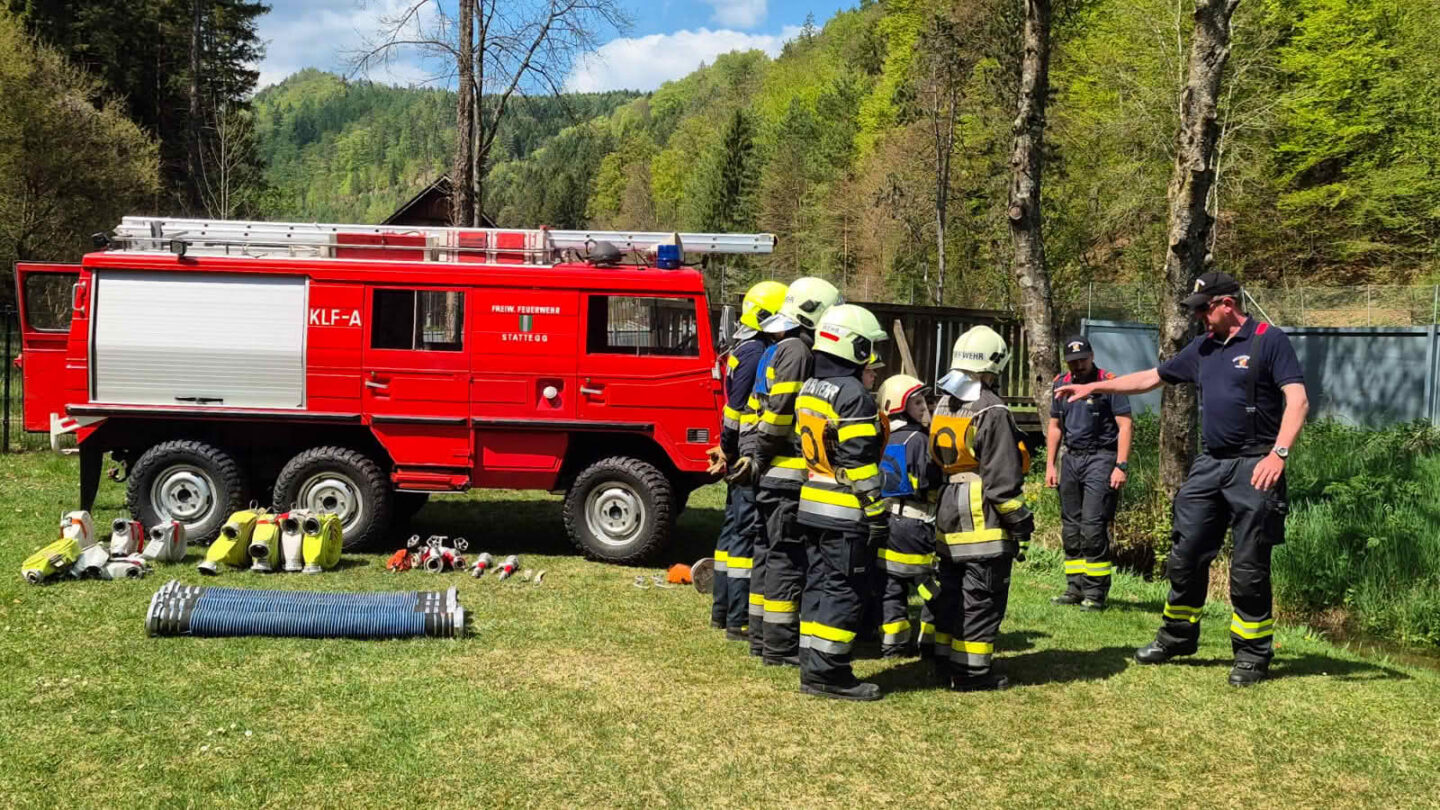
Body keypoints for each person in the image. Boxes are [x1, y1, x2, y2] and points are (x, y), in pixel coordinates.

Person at [1055, 271, 1308, 687]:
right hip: (1210, 465)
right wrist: (1096, 387)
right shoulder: (1203, 347)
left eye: (1205, 309)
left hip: (1255, 464)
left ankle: (1251, 655)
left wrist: (1278, 454)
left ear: (1227, 303)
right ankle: (1177, 636)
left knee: (1248, 565)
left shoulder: (1268, 340)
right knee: (1185, 554)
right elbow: (1152, 377)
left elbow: (1297, 400)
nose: (1200, 318)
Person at [732, 277, 842, 663]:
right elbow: (778, 413)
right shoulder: (796, 349)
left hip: (770, 470)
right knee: (784, 557)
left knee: (768, 552)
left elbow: (750, 411)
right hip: (785, 471)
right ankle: (778, 647)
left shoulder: (777, 347)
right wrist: (761, 453)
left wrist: (752, 454)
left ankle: (762, 638)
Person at [922, 326, 1034, 692]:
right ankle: (972, 673)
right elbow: (1002, 480)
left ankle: (942, 657)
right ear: (994, 365)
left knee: (950, 592)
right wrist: (1019, 522)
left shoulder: (943, 403)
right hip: (981, 517)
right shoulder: (993, 409)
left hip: (948, 510)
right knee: (981, 596)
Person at [793, 304, 889, 700]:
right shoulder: (853, 395)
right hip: (845, 509)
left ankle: (813, 666)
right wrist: (876, 510)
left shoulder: (809, 387)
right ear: (854, 345)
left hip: (813, 504)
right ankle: (830, 675)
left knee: (818, 585)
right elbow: (859, 460)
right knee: (842, 590)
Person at [709, 280, 788, 638]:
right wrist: (732, 449)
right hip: (746, 454)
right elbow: (737, 410)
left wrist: (725, 446)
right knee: (743, 535)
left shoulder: (743, 347)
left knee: (730, 535)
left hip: (735, 449)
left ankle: (721, 610)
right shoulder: (757, 352)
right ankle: (736, 618)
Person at [1045, 336, 1132, 611]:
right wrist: (1051, 465)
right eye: (1073, 362)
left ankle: (1095, 594)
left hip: (1101, 458)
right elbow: (1055, 426)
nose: (1078, 365)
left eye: (1082, 359)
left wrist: (1121, 465)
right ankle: (1074, 588)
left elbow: (1126, 425)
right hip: (1071, 459)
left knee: (1093, 528)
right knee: (1071, 528)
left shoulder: (1109, 382)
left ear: (1092, 356)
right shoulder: (1061, 383)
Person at [875, 374, 940, 658]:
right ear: (900, 406)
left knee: (892, 587)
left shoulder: (882, 438)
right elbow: (930, 481)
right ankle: (929, 640)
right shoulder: (920, 440)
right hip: (917, 524)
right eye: (916, 401)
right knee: (931, 585)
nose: (923, 406)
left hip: (888, 521)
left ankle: (893, 644)